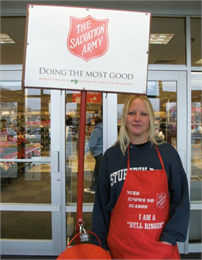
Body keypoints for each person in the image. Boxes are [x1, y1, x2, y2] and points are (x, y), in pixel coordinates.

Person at [91, 95, 190, 259]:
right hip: (120, 249)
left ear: (150, 119)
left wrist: (169, 239)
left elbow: (181, 200)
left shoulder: (167, 154)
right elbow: (101, 206)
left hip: (159, 248)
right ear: (124, 117)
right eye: (132, 113)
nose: (137, 119)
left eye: (143, 114)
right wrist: (101, 246)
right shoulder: (112, 156)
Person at [84, 116, 103, 195]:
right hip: (102, 152)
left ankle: (94, 188)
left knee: (98, 172)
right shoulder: (105, 128)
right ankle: (95, 187)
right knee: (97, 171)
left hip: (98, 153)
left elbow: (92, 144)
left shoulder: (97, 130)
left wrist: (83, 151)